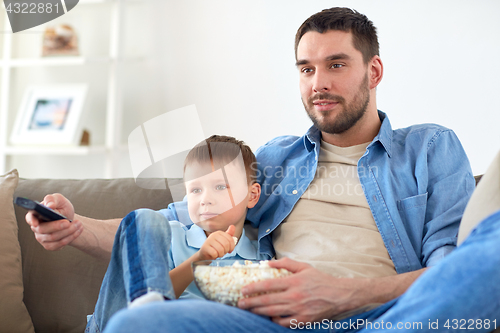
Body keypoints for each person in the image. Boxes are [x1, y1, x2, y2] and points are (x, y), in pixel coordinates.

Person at [26, 7, 499, 333]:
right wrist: (76, 228)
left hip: (390, 318)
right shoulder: (275, 160)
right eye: (306, 69)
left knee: (493, 249)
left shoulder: (429, 147)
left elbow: (450, 271)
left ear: (373, 72)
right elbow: (177, 223)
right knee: (140, 322)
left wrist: (343, 294)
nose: (320, 83)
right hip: (271, 323)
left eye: (336, 64)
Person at [85, 135, 265, 332]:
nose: (205, 199)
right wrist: (200, 259)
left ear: (252, 195)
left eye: (220, 187)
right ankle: (148, 308)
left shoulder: (260, 257)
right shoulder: (168, 237)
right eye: (196, 190)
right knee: (145, 219)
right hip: (120, 320)